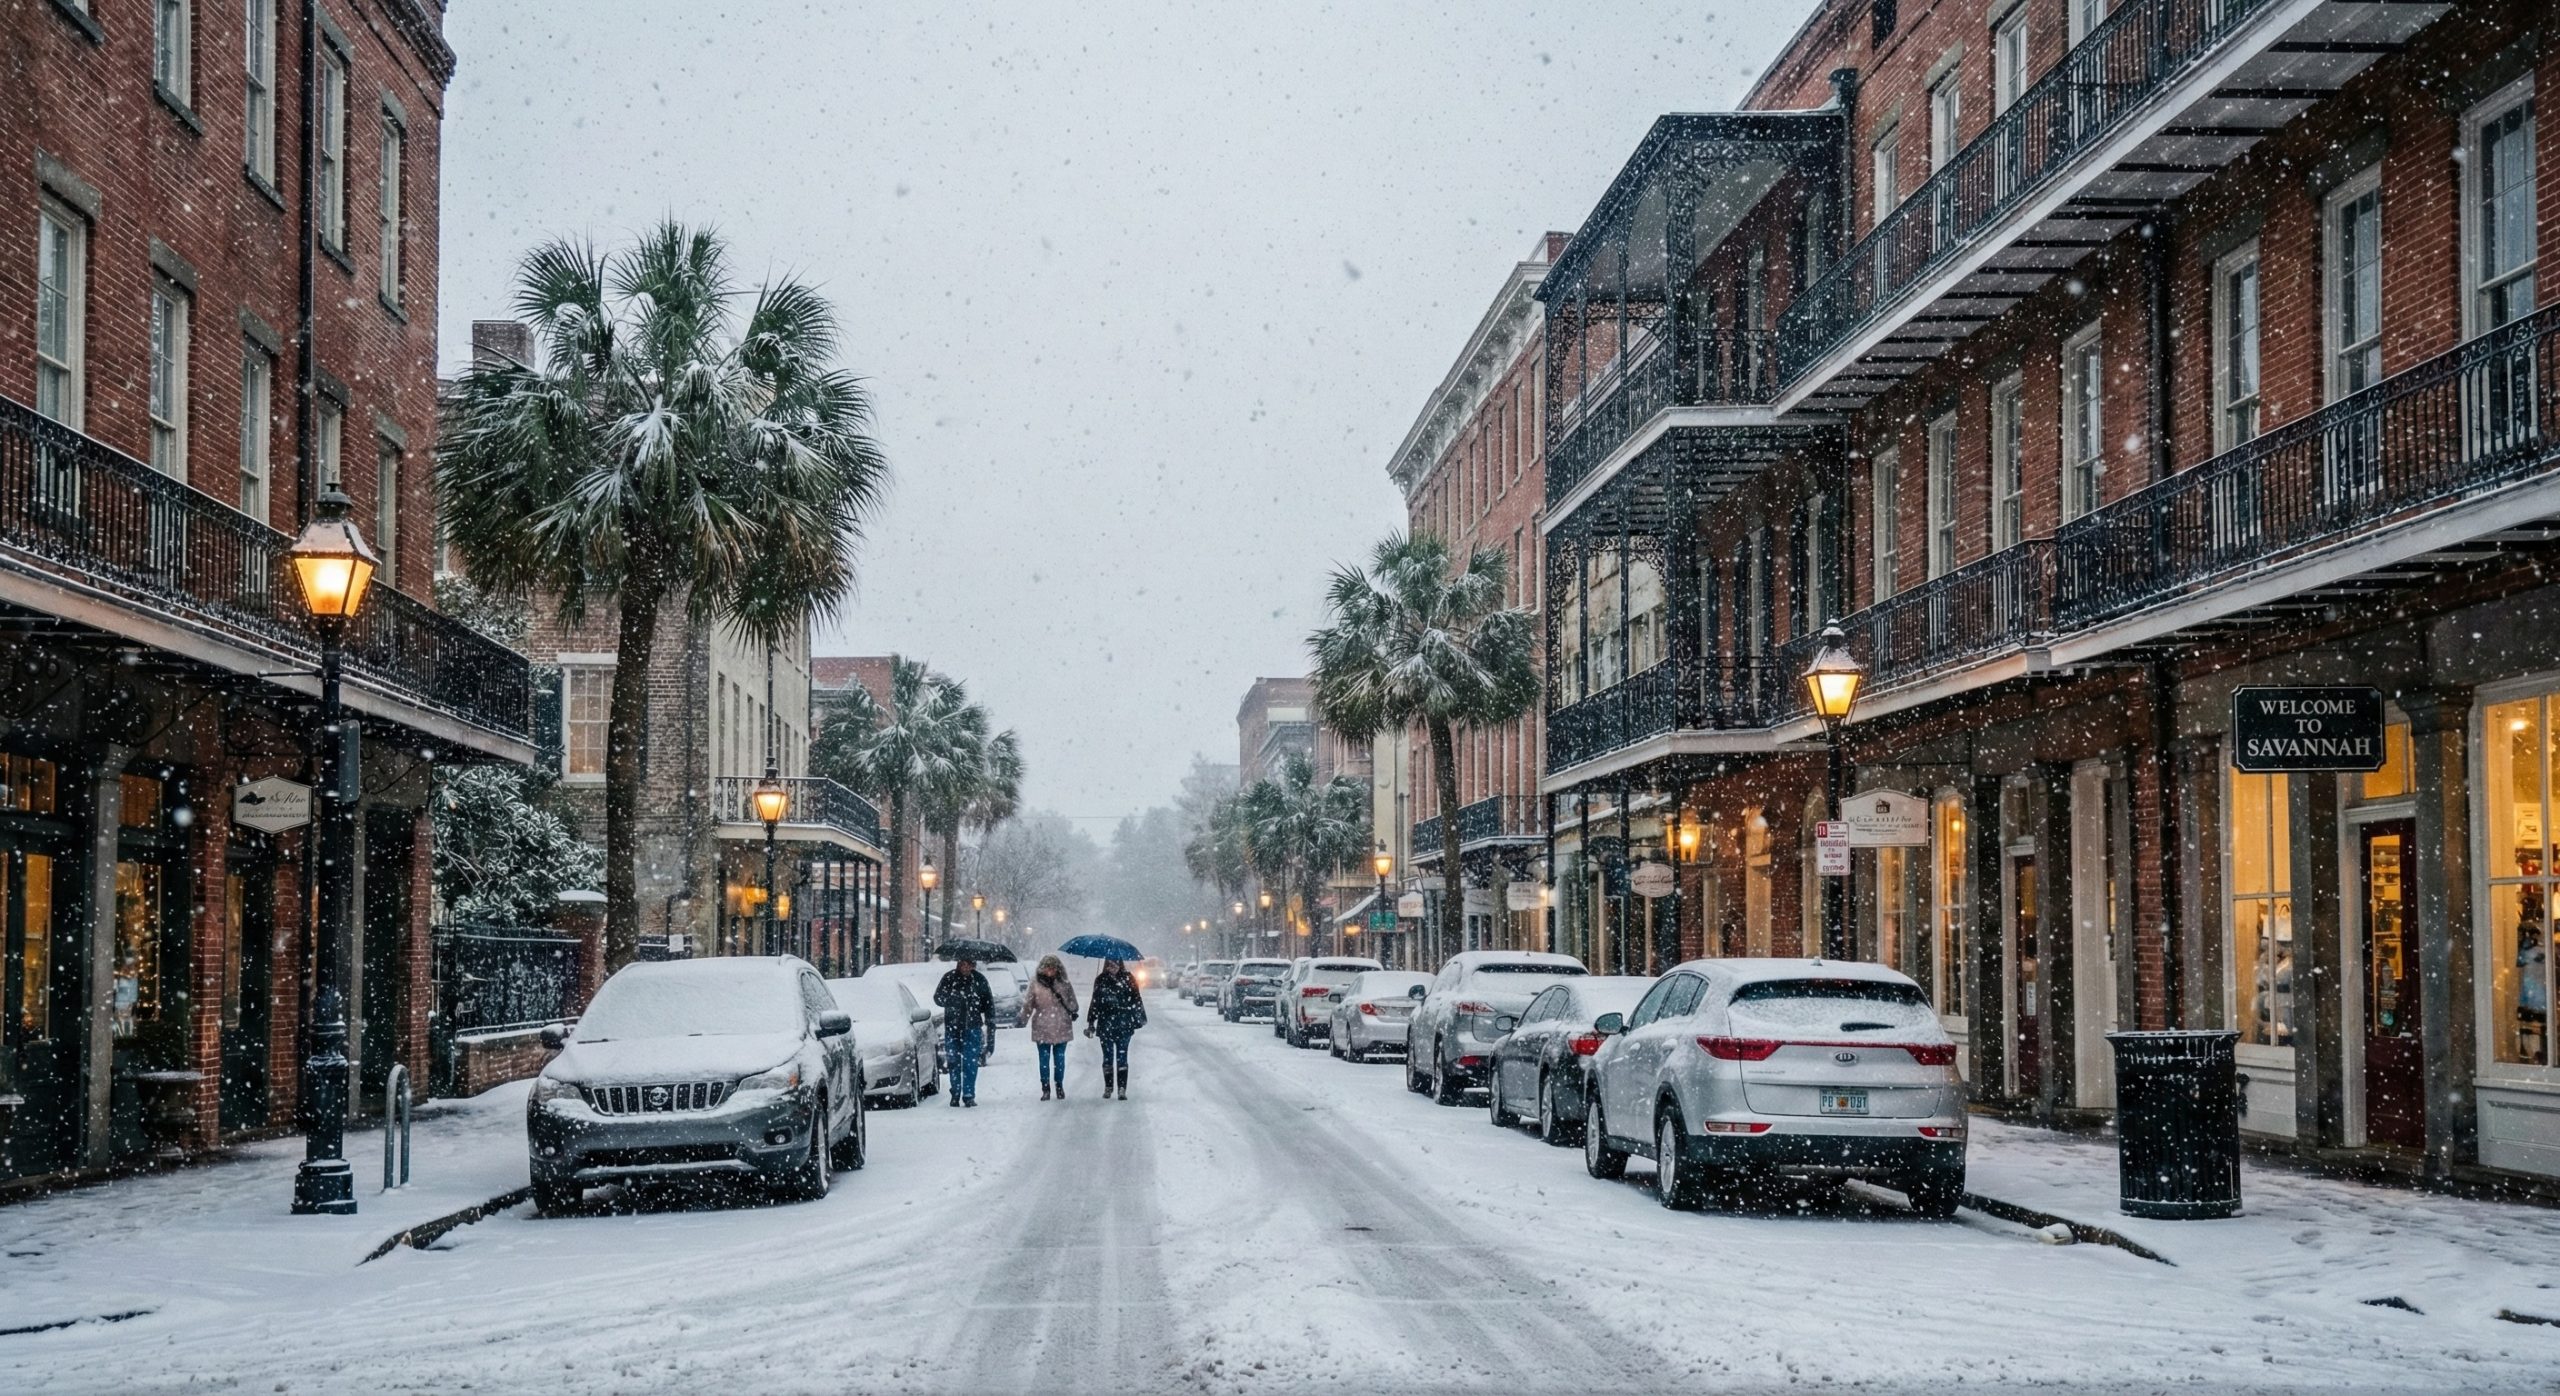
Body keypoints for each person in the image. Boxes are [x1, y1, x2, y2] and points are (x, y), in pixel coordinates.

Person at [933, 956, 996, 1108]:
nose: (965, 967)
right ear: (958, 964)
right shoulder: (949, 978)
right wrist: (951, 999)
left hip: (972, 1027)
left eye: (969, 964)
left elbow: (988, 1002)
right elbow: (938, 997)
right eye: (963, 964)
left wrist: (990, 1020)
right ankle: (955, 1092)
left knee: (970, 1062)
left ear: (973, 966)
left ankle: (968, 1094)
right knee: (953, 1061)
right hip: (952, 1027)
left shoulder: (979, 980)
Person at [1084, 957, 1147, 1100]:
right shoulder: (1100, 980)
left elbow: (1136, 999)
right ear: (1106, 965)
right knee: (1107, 1058)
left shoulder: (1128, 978)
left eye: (1115, 964)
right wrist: (1091, 1022)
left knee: (1122, 1058)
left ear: (1120, 964)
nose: (1112, 967)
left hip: (1124, 1024)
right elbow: (1095, 1002)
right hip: (1106, 1023)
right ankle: (1108, 1086)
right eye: (1109, 965)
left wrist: (1138, 1018)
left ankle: (1122, 1088)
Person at [1024, 955, 1080, 1100]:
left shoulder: (1038, 984)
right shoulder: (1063, 983)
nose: (1050, 970)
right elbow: (1028, 1005)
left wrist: (1023, 1017)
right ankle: (1049, 1088)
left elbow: (1073, 1005)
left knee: (1056, 1060)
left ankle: (1055, 1086)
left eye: (1052, 967)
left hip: (1051, 1026)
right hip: (1052, 1027)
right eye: (1047, 967)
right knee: (1048, 1060)